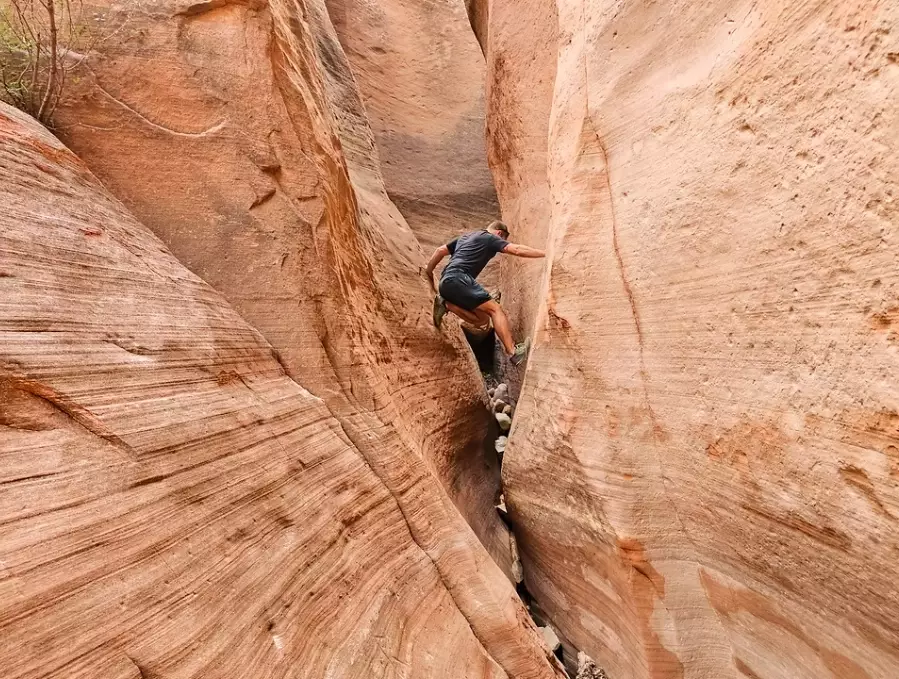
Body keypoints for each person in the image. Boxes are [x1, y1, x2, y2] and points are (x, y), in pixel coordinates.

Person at [423, 220, 545, 366]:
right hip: (459, 279)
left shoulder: (465, 237)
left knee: (482, 320)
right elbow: (517, 249)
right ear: (499, 233)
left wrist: (428, 272)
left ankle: (446, 304)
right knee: (496, 310)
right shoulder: (490, 238)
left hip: (447, 282)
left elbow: (439, 251)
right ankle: (513, 352)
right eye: (502, 240)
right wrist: (546, 253)